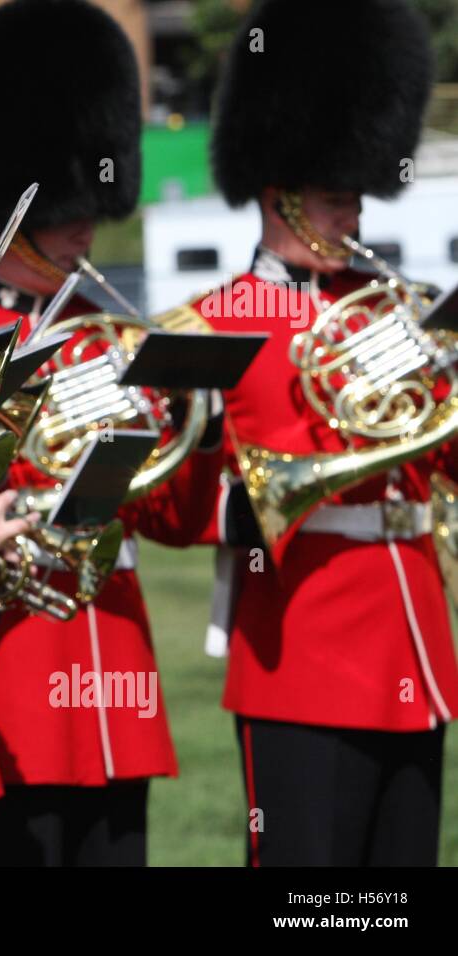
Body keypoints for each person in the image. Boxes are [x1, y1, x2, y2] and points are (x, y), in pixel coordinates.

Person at [0, 0, 224, 866]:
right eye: (63, 207)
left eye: (90, 200)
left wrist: (198, 427)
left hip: (116, 681)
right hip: (5, 681)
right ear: (7, 207)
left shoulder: (116, 333)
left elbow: (170, 521)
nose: (87, 220)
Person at [173, 0, 458, 866]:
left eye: (356, 197)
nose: (355, 217)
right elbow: (163, 505)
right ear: (279, 188)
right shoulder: (208, 328)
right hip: (303, 654)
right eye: (337, 199)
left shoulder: (402, 315)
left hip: (416, 648)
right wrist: (243, 512)